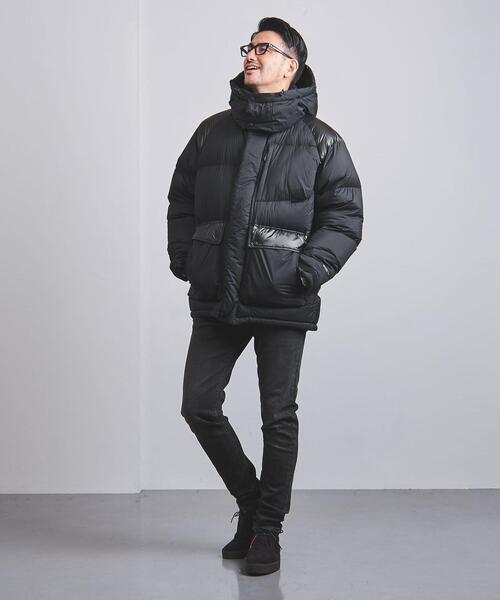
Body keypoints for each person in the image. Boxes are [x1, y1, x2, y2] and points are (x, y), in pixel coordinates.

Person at [166, 16, 363, 576]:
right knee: (198, 406)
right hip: (217, 294)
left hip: (282, 297)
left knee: (277, 417)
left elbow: (345, 214)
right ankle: (251, 503)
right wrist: (186, 257)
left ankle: (268, 530)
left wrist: (310, 268)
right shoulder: (211, 132)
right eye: (248, 47)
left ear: (290, 65)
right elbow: (182, 198)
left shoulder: (322, 140)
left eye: (264, 48)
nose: (250, 55)